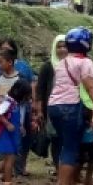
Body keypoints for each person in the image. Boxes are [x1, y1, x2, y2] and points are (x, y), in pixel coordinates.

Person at [47, 26, 93, 185]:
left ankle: (64, 184)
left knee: (65, 145)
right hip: (70, 107)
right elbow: (92, 89)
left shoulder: (62, 61)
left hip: (54, 107)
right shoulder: (85, 63)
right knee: (71, 147)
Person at [0, 79, 31, 185]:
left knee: (7, 159)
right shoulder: (8, 102)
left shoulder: (14, 103)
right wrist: (7, 123)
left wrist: (20, 127)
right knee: (10, 159)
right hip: (5, 135)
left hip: (11, 135)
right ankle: (8, 183)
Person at [34, 35, 69, 166]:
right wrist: (39, 110)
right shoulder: (48, 67)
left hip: (71, 107)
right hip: (52, 109)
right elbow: (40, 90)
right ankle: (58, 167)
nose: (62, 49)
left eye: (65, 46)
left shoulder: (74, 65)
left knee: (69, 139)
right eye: (59, 46)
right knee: (56, 139)